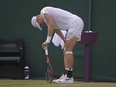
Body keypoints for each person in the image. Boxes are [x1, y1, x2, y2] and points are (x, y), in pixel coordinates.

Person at [31, 6, 84, 83]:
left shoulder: (44, 12)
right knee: (66, 49)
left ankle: (69, 77)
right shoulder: (47, 17)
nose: (42, 25)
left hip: (75, 24)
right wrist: (64, 40)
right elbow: (56, 29)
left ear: (38, 19)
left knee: (68, 50)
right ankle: (66, 74)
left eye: (40, 24)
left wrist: (47, 41)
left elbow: (51, 25)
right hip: (75, 24)